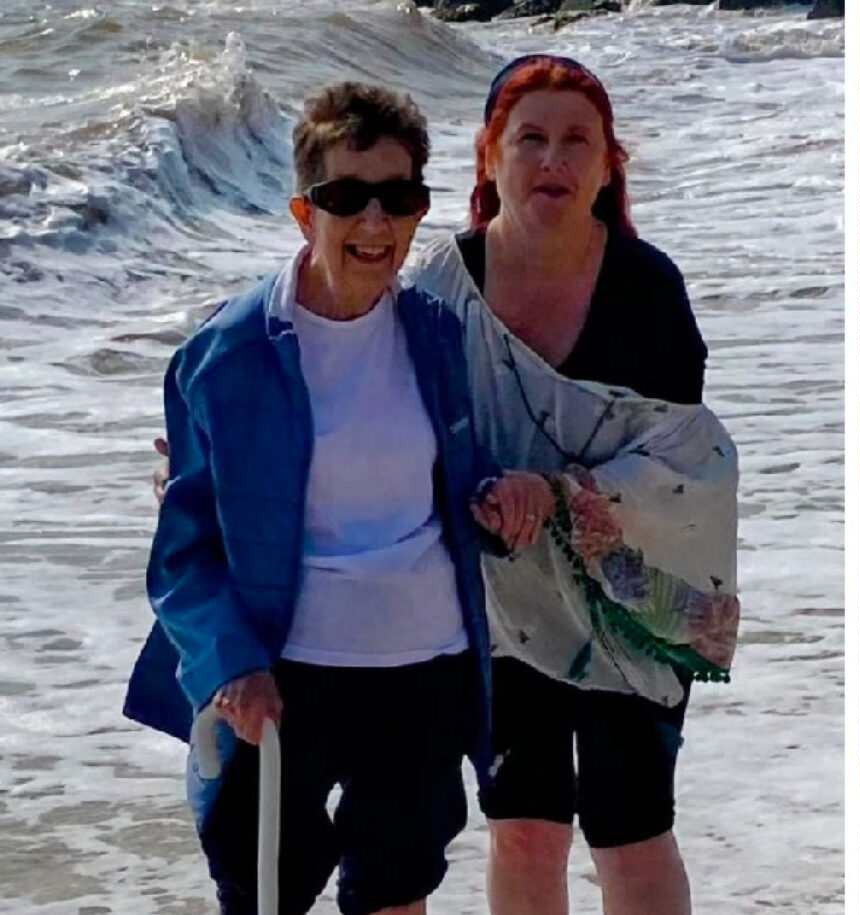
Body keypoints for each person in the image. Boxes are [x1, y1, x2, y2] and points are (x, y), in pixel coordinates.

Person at [122, 82, 554, 915]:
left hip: (422, 671)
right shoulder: (226, 353)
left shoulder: (436, 331)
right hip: (282, 681)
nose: (374, 222)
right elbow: (183, 553)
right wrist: (230, 663)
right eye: (346, 197)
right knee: (261, 893)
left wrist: (506, 500)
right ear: (302, 211)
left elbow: (459, 484)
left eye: (398, 197)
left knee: (395, 893)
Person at [406, 55, 740, 915]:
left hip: (627, 592)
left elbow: (684, 463)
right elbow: (374, 417)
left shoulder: (647, 289)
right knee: (521, 823)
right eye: (530, 139)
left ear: (605, 165)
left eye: (575, 141)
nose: (552, 159)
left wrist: (556, 495)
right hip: (499, 598)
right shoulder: (440, 290)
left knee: (630, 824)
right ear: (489, 158)